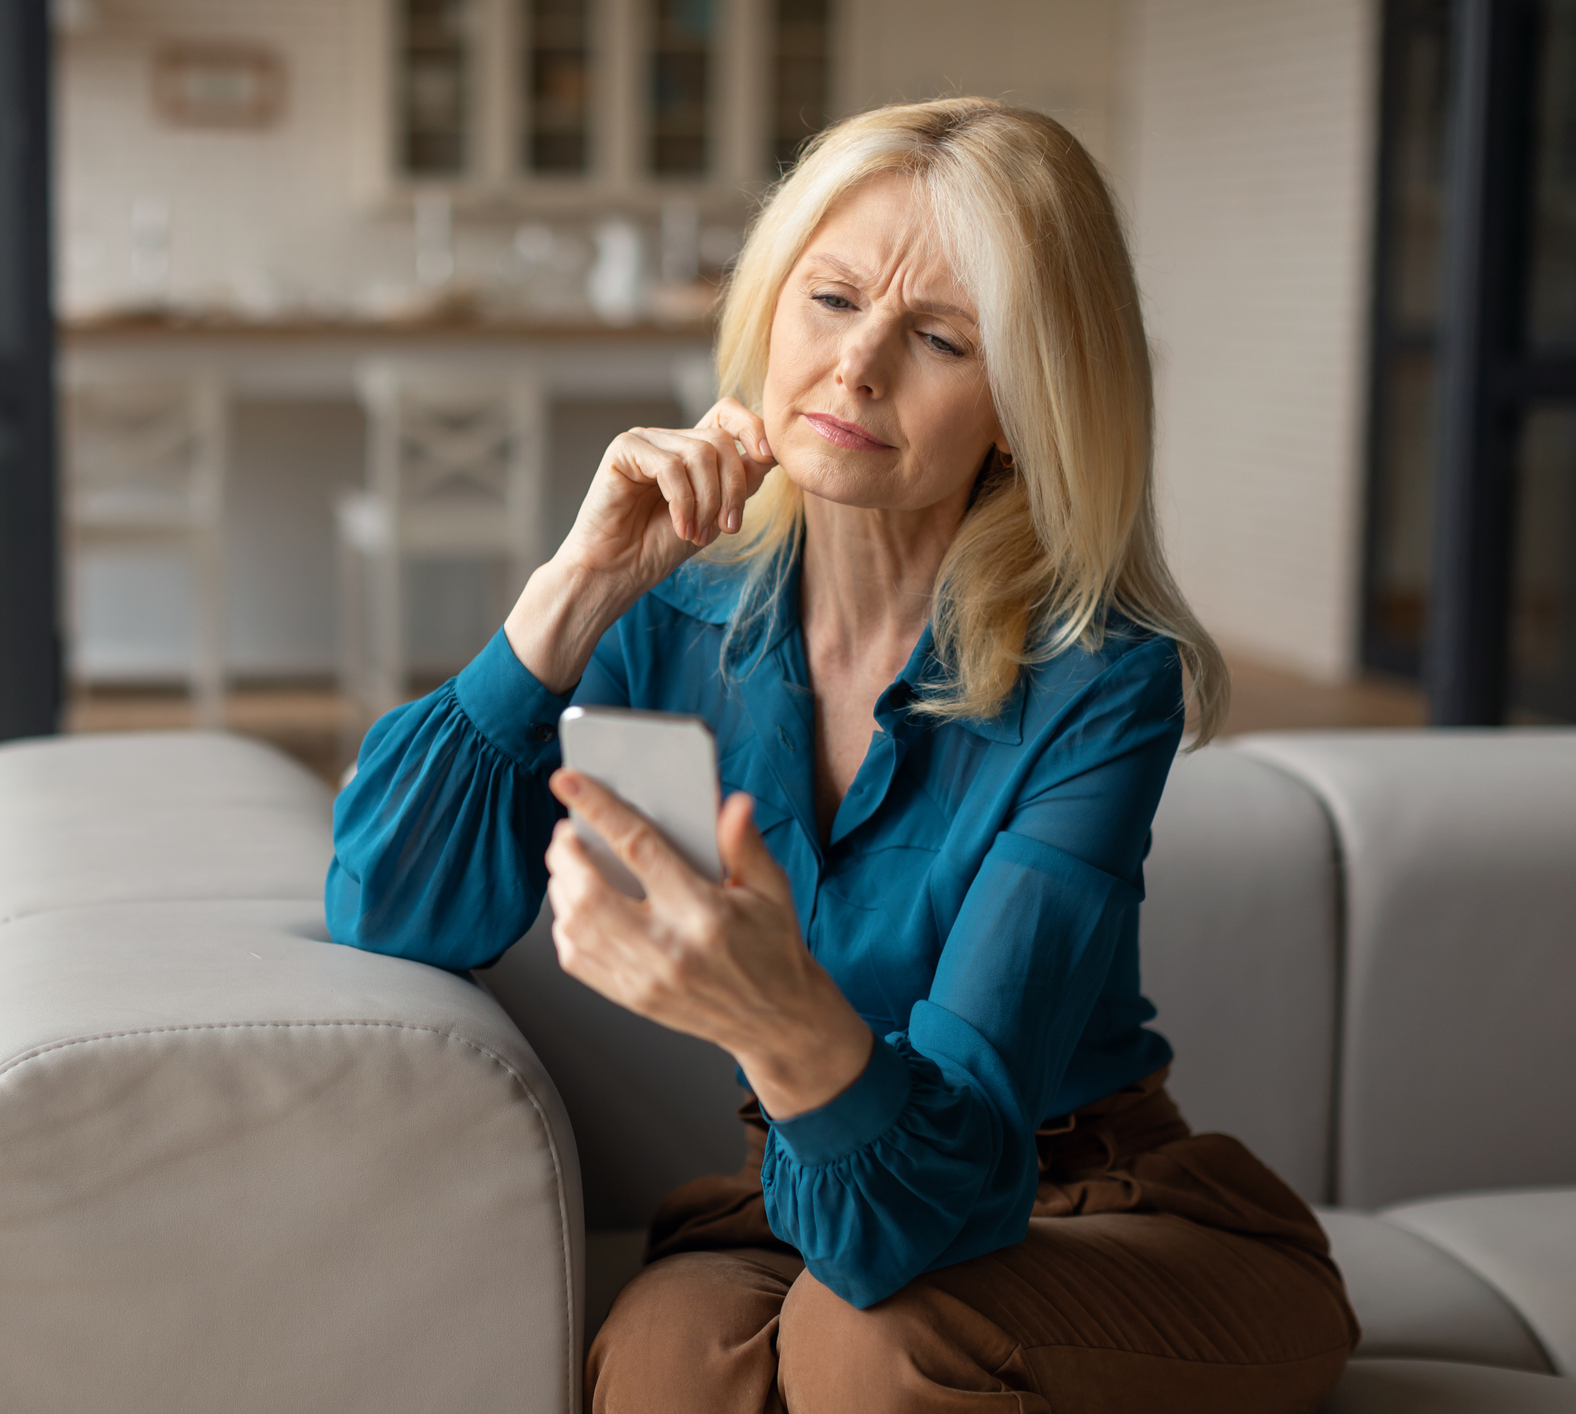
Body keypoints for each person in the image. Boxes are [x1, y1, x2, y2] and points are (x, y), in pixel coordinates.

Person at [327, 98, 1358, 1413]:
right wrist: (570, 589)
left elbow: (957, 1157)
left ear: (1023, 406)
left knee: (874, 1336)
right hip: (800, 1196)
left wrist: (774, 1018)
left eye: (936, 337)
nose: (857, 365)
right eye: (828, 299)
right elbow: (387, 899)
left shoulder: (1101, 678)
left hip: (1098, 1205)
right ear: (766, 311)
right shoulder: (670, 605)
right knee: (664, 1352)